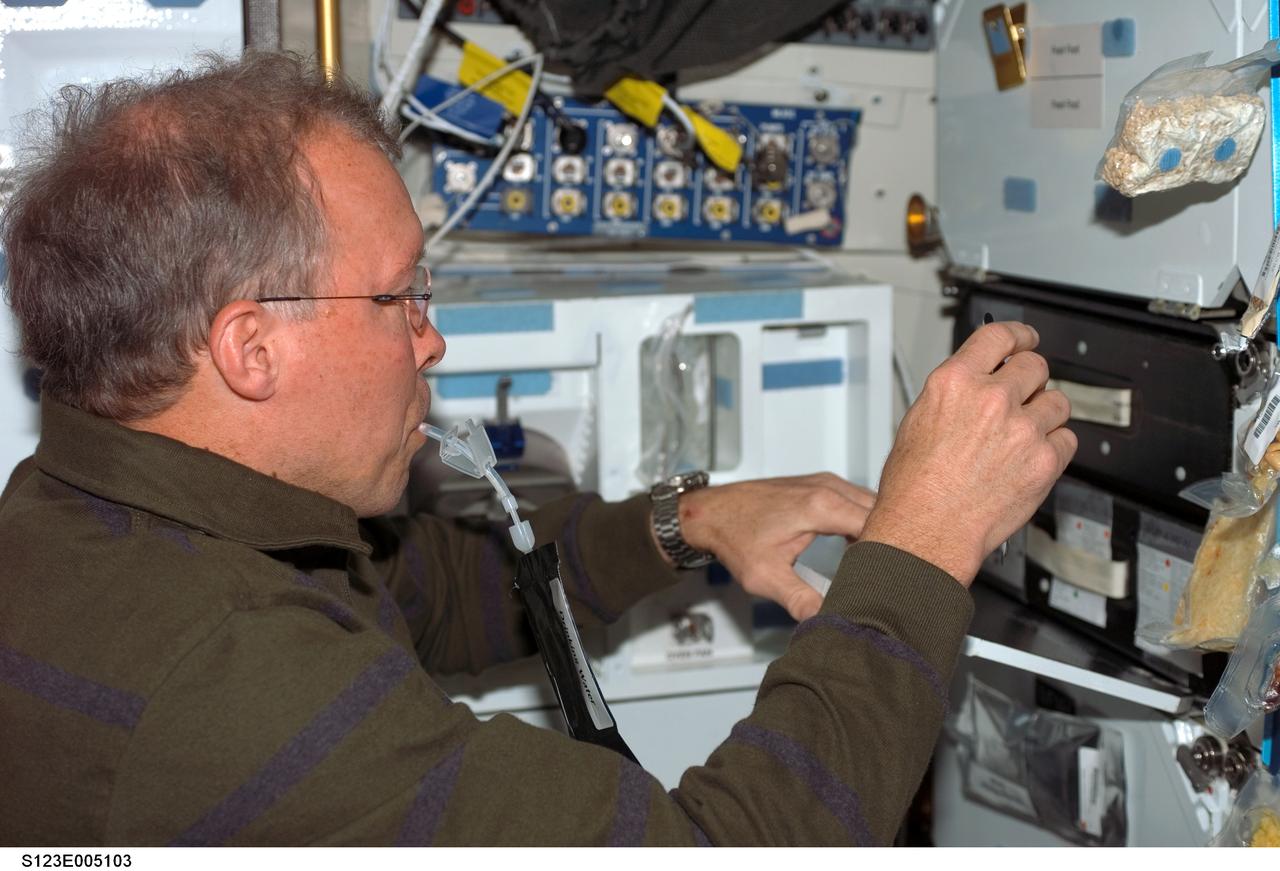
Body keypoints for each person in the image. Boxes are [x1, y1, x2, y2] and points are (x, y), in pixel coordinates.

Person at [0, 52, 1074, 846]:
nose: (432, 337)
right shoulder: (228, 683)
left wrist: (683, 520)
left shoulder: (103, 513)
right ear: (251, 348)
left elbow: (447, 589)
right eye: (399, 296)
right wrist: (921, 547)